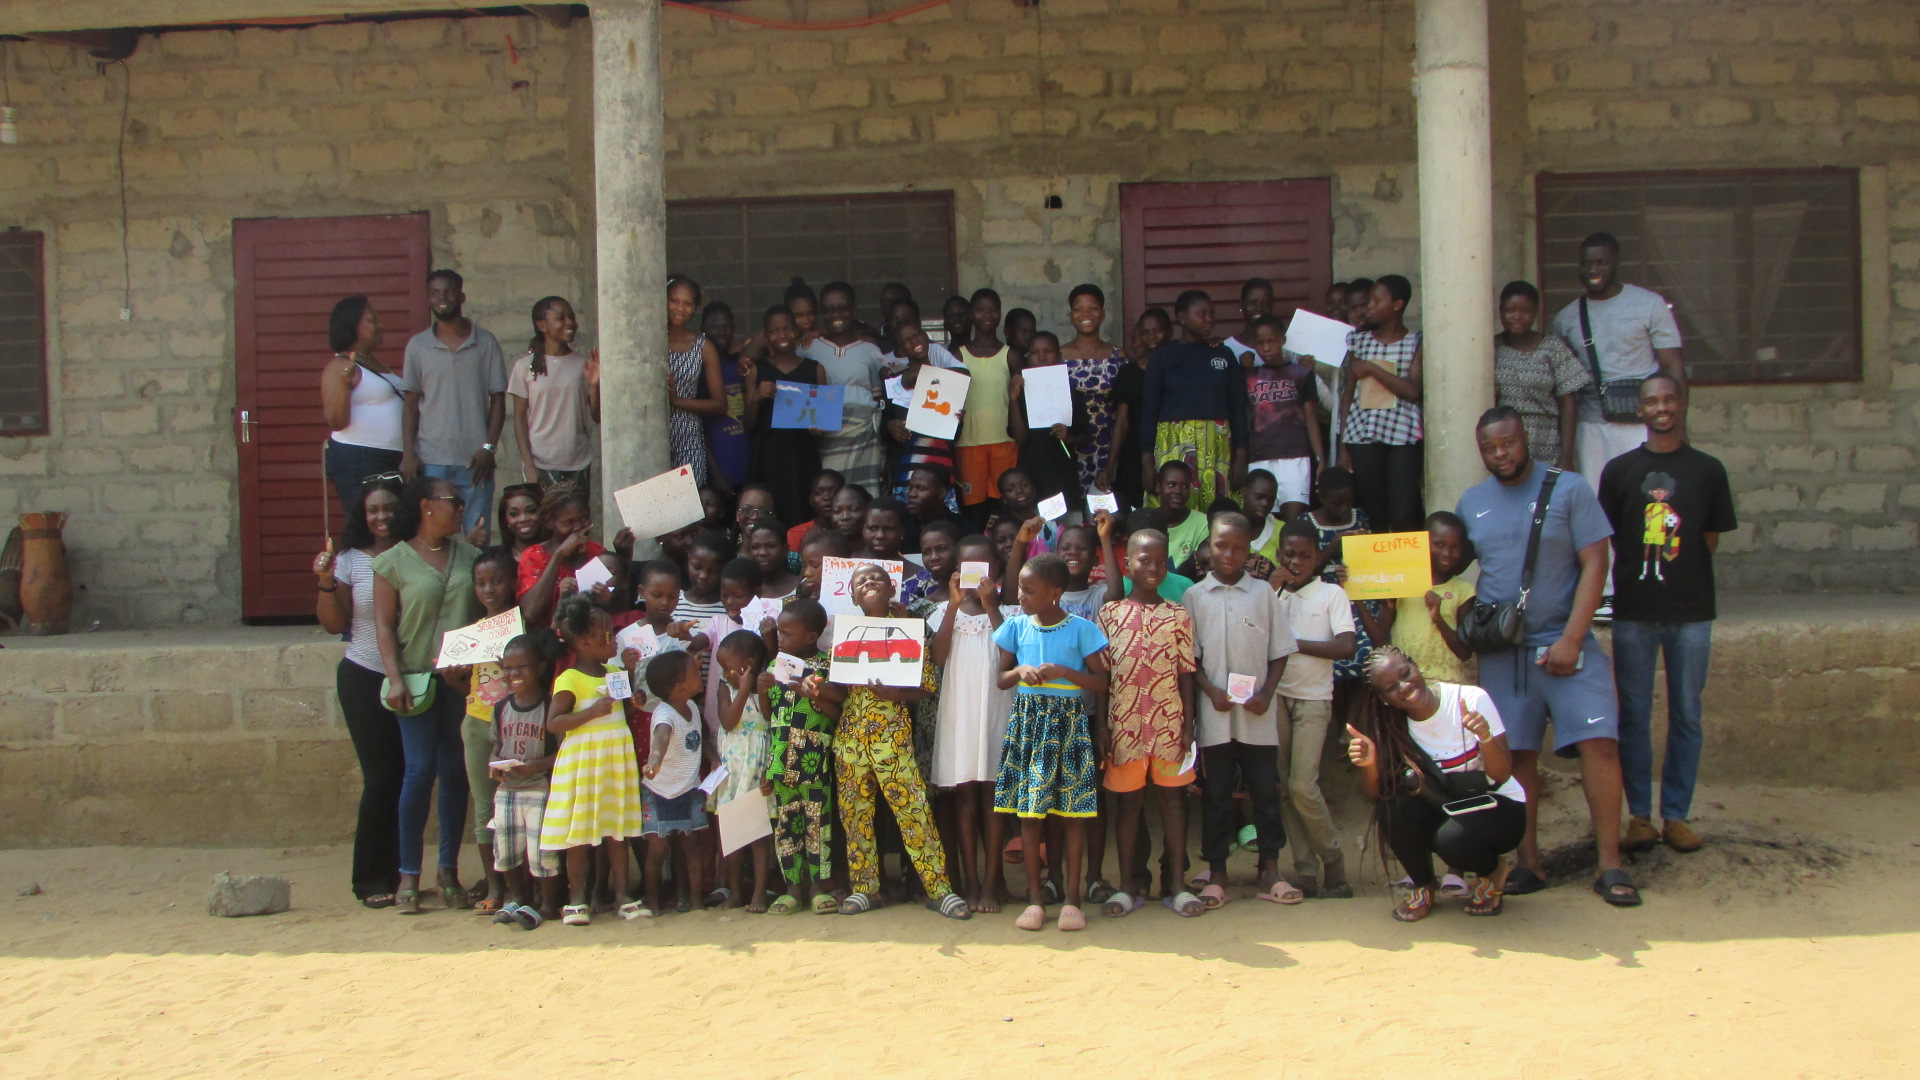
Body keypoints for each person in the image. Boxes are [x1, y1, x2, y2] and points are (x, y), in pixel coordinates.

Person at [1457, 406, 1638, 906]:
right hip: (1505, 655)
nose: (1501, 454)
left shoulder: (1570, 489)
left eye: (1508, 444)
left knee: (1600, 745)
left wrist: (1574, 639)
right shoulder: (1472, 502)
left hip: (1568, 643)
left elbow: (1596, 560)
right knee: (1515, 760)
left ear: (1525, 438)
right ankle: (1527, 863)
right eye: (1490, 448)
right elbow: (1446, 560)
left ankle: (1610, 864)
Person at [1598, 374, 1737, 855]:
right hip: (1634, 612)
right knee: (1633, 714)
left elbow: (1710, 539)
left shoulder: (1708, 470)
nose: (1661, 408)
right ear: (1639, 409)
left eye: (1669, 399)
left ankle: (1676, 815)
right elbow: (1615, 538)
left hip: (1692, 612)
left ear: (1681, 405)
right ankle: (1639, 817)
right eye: (1651, 401)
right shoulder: (1619, 471)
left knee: (1687, 714)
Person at [834, 563, 971, 920]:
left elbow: (928, 686)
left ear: (891, 587)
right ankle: (865, 889)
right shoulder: (844, 632)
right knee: (855, 816)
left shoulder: (908, 630)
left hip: (893, 739)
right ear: (851, 595)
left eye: (877, 577)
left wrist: (895, 693)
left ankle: (939, 889)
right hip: (850, 739)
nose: (869, 582)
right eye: (861, 580)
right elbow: (836, 686)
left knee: (914, 812)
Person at [1347, 646, 1525, 920]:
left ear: (1416, 666)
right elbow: (1376, 796)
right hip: (1447, 808)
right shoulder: (1393, 727)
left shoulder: (1470, 699)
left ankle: (1492, 871)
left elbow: (1501, 775)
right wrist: (1369, 765)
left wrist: (1485, 737)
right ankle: (1424, 885)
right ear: (1384, 699)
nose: (1405, 687)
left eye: (1406, 674)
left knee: (1452, 841)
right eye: (1392, 687)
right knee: (1392, 807)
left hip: (1499, 807)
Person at [372, 475, 482, 915]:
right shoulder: (393, 563)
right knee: (418, 773)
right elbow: (383, 625)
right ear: (425, 507)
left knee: (456, 775)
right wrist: (394, 676)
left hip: (459, 683)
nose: (459, 507)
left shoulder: (471, 558)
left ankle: (448, 869)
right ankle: (409, 874)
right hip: (415, 682)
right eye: (452, 501)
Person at [1182, 513, 1298, 907]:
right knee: (1216, 794)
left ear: (1249, 550)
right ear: (1208, 548)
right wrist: (1210, 690)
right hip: (1215, 713)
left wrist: (1267, 692)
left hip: (1258, 714)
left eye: (1238, 547)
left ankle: (1270, 869)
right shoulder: (1194, 597)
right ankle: (1217, 872)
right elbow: (1189, 659)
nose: (1229, 554)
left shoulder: (1263, 593)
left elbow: (1280, 651)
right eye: (1221, 546)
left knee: (1265, 791)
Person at [993, 553, 1111, 932]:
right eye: (1020, 590)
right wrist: (1018, 671)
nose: (1021, 596)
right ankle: (1035, 900)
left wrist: (1065, 672)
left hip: (1069, 724)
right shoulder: (1015, 626)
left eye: (1029, 591)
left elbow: (1101, 681)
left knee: (1072, 813)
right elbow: (1001, 678)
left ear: (1056, 593)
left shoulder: (1081, 628)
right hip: (1029, 724)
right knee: (1030, 813)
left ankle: (1073, 901)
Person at [1095, 524, 1202, 918]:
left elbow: (1186, 673)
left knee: (1173, 802)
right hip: (1123, 727)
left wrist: (1189, 724)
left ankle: (1177, 884)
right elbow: (1102, 677)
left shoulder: (1177, 615)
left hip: (1169, 725)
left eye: (1160, 561)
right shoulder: (1110, 614)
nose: (1153, 568)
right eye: (1145, 560)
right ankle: (1126, 886)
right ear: (1128, 565)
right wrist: (1103, 726)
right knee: (1127, 806)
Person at [313, 475, 405, 907]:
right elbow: (335, 624)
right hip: (364, 673)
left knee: (411, 778)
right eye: (373, 510)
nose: (381, 516)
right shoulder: (350, 559)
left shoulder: (416, 553)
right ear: (362, 516)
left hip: (415, 677)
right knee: (382, 778)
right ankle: (371, 879)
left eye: (388, 508)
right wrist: (327, 581)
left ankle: (406, 875)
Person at [540, 592, 647, 925]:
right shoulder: (570, 679)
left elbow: (623, 710)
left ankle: (622, 896)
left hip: (614, 759)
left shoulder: (613, 670)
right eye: (607, 636)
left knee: (617, 829)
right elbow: (554, 722)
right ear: (585, 642)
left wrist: (633, 691)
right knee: (579, 833)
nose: (614, 640)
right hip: (584, 763)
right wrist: (590, 712)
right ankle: (576, 899)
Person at [1549, 232, 1687, 488]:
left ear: (1616, 262)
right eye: (1586, 263)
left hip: (1642, 423)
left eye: (1601, 262)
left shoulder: (1649, 304)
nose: (1593, 269)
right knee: (1599, 505)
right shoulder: (1566, 319)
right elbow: (1564, 387)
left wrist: (1679, 427)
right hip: (1591, 428)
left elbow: (1673, 366)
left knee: (1648, 501)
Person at [928, 537, 1017, 912]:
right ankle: (970, 879)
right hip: (959, 709)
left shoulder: (1010, 613)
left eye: (984, 568)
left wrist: (990, 606)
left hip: (995, 707)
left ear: (995, 572)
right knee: (964, 794)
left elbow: (1008, 653)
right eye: (969, 568)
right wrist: (952, 605)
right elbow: (938, 656)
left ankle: (994, 881)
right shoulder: (940, 612)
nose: (977, 575)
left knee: (993, 796)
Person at [1271, 518, 1357, 900]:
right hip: (1276, 698)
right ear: (1278, 555)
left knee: (1302, 785)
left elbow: (1345, 647)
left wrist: (1294, 643)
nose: (1296, 561)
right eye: (1289, 554)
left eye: (1305, 555)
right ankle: (1306, 869)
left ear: (1315, 559)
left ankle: (1333, 859)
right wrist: (1272, 590)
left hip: (1314, 699)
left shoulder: (1331, 595)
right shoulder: (1273, 594)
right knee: (1284, 789)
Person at [441, 547, 518, 914]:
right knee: (484, 807)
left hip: (517, 724)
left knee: (520, 805)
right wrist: (453, 678)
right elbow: (472, 686)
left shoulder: (520, 628)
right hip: (476, 722)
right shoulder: (470, 633)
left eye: (497, 581)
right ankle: (494, 884)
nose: (488, 590)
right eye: (481, 583)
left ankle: (523, 883)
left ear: (513, 583)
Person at [400, 270, 506, 539]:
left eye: (447, 292)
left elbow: (498, 400)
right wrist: (409, 454)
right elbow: (410, 403)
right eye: (434, 293)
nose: (441, 298)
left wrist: (488, 448)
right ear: (428, 299)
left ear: (461, 296)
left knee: (477, 536)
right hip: (432, 460)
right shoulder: (418, 346)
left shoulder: (485, 342)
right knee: (434, 537)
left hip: (475, 461)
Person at [760, 598, 842, 915]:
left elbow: (838, 712)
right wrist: (760, 690)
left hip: (814, 760)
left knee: (817, 825)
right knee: (785, 825)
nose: (779, 638)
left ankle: (818, 888)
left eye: (786, 633)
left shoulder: (825, 666)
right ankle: (792, 888)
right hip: (781, 760)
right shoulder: (776, 666)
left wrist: (816, 695)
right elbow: (770, 716)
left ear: (810, 636)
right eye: (779, 632)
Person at [1141, 290, 1249, 511]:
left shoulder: (1224, 355)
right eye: (1202, 313)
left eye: (1212, 313)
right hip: (1174, 443)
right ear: (1182, 317)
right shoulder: (1164, 357)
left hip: (1218, 444)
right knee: (1174, 509)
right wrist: (1147, 463)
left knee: (1219, 511)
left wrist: (1241, 457)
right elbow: (1149, 410)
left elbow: (1238, 408)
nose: (1209, 318)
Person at [487, 631, 564, 928]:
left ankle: (547, 904)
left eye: (522, 667)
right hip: (507, 790)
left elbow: (562, 751)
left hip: (539, 789)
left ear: (541, 668)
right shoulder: (501, 708)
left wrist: (537, 767)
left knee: (541, 851)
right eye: (508, 668)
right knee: (506, 847)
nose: (514, 674)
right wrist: (494, 767)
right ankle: (519, 899)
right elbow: (496, 746)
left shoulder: (549, 706)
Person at [1339, 274, 1424, 534]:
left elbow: (1411, 391)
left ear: (1397, 305)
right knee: (1372, 512)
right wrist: (1343, 446)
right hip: (1363, 436)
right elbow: (1349, 394)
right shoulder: (1359, 341)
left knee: (1402, 512)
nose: (1369, 307)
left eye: (1376, 300)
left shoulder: (1415, 342)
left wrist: (1373, 369)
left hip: (1403, 437)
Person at [800, 281, 889, 490]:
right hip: (826, 440)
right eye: (829, 310)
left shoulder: (871, 350)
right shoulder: (808, 348)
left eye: (842, 308)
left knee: (863, 497)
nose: (836, 315)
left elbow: (880, 399)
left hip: (865, 441)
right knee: (830, 496)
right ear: (821, 312)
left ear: (853, 309)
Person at [320, 296, 404, 517]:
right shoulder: (338, 367)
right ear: (353, 326)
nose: (380, 325)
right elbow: (336, 422)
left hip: (391, 459)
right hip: (359, 459)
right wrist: (345, 382)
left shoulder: (372, 362)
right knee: (368, 530)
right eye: (372, 320)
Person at [710, 630, 775, 912]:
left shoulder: (764, 688)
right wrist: (742, 688)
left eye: (728, 667)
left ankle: (760, 892)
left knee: (759, 836)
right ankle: (735, 893)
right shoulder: (726, 689)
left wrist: (752, 687)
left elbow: (771, 722)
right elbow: (727, 722)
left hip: (757, 768)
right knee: (733, 837)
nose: (724, 673)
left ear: (747, 664)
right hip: (733, 773)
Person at [1494, 281, 1588, 472]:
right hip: (1504, 447)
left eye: (1525, 310)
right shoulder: (1491, 348)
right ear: (1500, 310)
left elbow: (1568, 404)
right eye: (1510, 310)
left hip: (1547, 444)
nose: (1517, 316)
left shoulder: (1553, 349)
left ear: (1536, 311)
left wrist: (1567, 456)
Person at [747, 307, 827, 530]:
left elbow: (823, 421)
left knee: (803, 511)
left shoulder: (815, 369)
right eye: (774, 331)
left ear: (798, 332)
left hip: (803, 454)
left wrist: (818, 429)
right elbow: (749, 424)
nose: (781, 336)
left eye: (788, 329)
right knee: (770, 512)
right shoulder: (757, 370)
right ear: (766, 335)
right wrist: (756, 397)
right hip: (768, 455)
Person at [509, 295, 598, 491]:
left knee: (575, 520)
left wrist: (594, 384)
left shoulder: (582, 364)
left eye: (572, 318)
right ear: (542, 325)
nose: (570, 323)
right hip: (542, 463)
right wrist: (528, 464)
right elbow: (519, 419)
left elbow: (597, 416)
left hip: (577, 461)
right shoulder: (524, 367)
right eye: (561, 318)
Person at [1244, 315, 1323, 521]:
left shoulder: (1301, 374)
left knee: (1293, 519)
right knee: (1264, 520)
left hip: (1296, 457)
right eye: (1260, 342)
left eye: (1271, 341)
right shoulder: (1248, 376)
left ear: (1282, 340)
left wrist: (1320, 459)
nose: (1266, 347)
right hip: (1260, 456)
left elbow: (1311, 419)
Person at [1388, 511, 1476, 686]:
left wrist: (1438, 618)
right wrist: (1359, 597)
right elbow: (1379, 638)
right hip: (1405, 684)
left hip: (1445, 686)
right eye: (1438, 544)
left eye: (1455, 546)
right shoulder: (1401, 583)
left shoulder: (1464, 591)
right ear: (1422, 542)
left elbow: (1465, 652)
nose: (1446, 553)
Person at [1010, 331, 1091, 517]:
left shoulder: (1072, 393)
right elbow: (1020, 439)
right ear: (1027, 357)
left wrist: (1068, 437)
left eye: (1048, 351)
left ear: (1059, 356)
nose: (1042, 357)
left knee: (1067, 532)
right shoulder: (1021, 394)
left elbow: (1085, 436)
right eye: (1034, 353)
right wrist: (1013, 399)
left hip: (1063, 475)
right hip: (1032, 475)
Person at [955, 288, 1020, 518]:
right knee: (974, 507)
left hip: (1004, 441)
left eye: (993, 310)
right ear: (972, 314)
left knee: (1005, 504)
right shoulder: (959, 354)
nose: (987, 315)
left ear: (1000, 314)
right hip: (969, 442)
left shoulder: (1009, 355)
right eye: (981, 310)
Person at [1059, 283, 1127, 494]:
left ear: (1103, 313)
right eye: (1079, 308)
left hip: (1109, 448)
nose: (1086, 314)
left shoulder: (1117, 355)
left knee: (1106, 511)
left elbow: (1123, 412)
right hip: (1068, 445)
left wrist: (1110, 463)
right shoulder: (1058, 356)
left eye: (1093, 308)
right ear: (1071, 315)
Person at [1105, 306, 1171, 511]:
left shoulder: (1178, 366)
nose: (1152, 336)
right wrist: (1109, 466)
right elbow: (1122, 422)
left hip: (1172, 446)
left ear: (1169, 332)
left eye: (1158, 330)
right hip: (1133, 453)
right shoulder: (1128, 373)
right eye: (1145, 331)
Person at [666, 275, 728, 487]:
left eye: (687, 303)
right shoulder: (649, 342)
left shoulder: (702, 346)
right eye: (674, 300)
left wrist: (677, 401)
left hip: (688, 436)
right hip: (651, 436)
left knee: (688, 511)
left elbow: (720, 404)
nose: (680, 309)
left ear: (695, 308)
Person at [702, 301, 753, 493]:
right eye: (714, 328)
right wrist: (716, 474)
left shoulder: (742, 363)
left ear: (734, 328)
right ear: (703, 331)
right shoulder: (702, 372)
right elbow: (700, 430)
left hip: (748, 465)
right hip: (720, 469)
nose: (721, 332)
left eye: (726, 327)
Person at [1151, 460, 1210, 570]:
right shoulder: (1146, 521)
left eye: (1185, 486)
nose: (1178, 491)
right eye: (1171, 485)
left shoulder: (1203, 524)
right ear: (1159, 486)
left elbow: (1200, 568)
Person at [1219, 276, 1274, 368]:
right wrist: (1240, 367)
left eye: (1265, 303)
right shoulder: (1227, 348)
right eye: (1253, 303)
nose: (1259, 308)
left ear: (1271, 307)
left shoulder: (1283, 347)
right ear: (1241, 305)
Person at [786, 469, 844, 553]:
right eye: (819, 493)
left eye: (833, 491)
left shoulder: (852, 530)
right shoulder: (795, 534)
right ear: (811, 500)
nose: (827, 497)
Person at [496, 483, 547, 569]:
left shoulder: (557, 553)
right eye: (514, 514)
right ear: (505, 519)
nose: (523, 519)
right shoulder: (496, 558)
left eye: (531, 511)